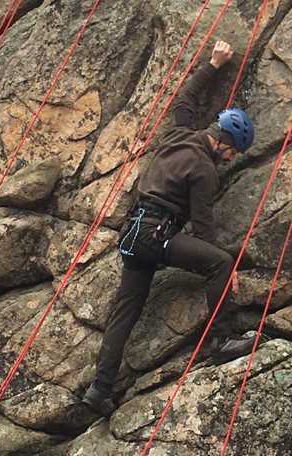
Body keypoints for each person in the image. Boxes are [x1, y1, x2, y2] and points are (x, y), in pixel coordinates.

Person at [82, 41, 256, 416]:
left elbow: (186, 100)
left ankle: (100, 389)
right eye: (233, 154)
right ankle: (222, 340)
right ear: (225, 144)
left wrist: (213, 64)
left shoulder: (178, 136)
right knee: (220, 262)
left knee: (125, 311)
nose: (230, 161)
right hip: (155, 234)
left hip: (132, 234)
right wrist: (225, 269)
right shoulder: (205, 172)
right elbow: (203, 225)